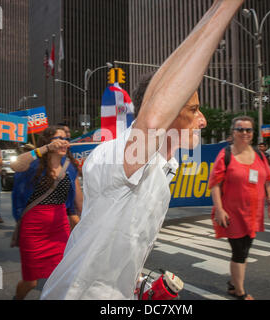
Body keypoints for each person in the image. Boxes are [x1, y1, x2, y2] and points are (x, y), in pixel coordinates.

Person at [40, 0, 245, 300]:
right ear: (168, 112)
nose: (203, 120)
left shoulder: (165, 167)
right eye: (194, 109)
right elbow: (150, 121)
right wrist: (227, 7)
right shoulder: (116, 155)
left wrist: (134, 282)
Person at [10, 125, 83, 300]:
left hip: (59, 228)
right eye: (59, 138)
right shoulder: (33, 165)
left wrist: (85, 221)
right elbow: (15, 164)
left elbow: (77, 200)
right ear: (48, 142)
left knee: (60, 276)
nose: (64, 142)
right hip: (33, 229)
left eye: (66, 139)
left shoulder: (70, 167)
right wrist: (44, 149)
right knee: (31, 282)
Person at [209, 116, 270, 300]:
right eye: (240, 129)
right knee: (239, 252)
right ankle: (240, 292)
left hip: (253, 214)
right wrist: (220, 209)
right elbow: (215, 184)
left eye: (248, 130)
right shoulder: (226, 154)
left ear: (253, 133)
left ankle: (233, 284)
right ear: (233, 132)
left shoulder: (260, 155)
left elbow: (266, 182)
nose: (245, 133)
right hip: (232, 214)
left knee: (245, 249)